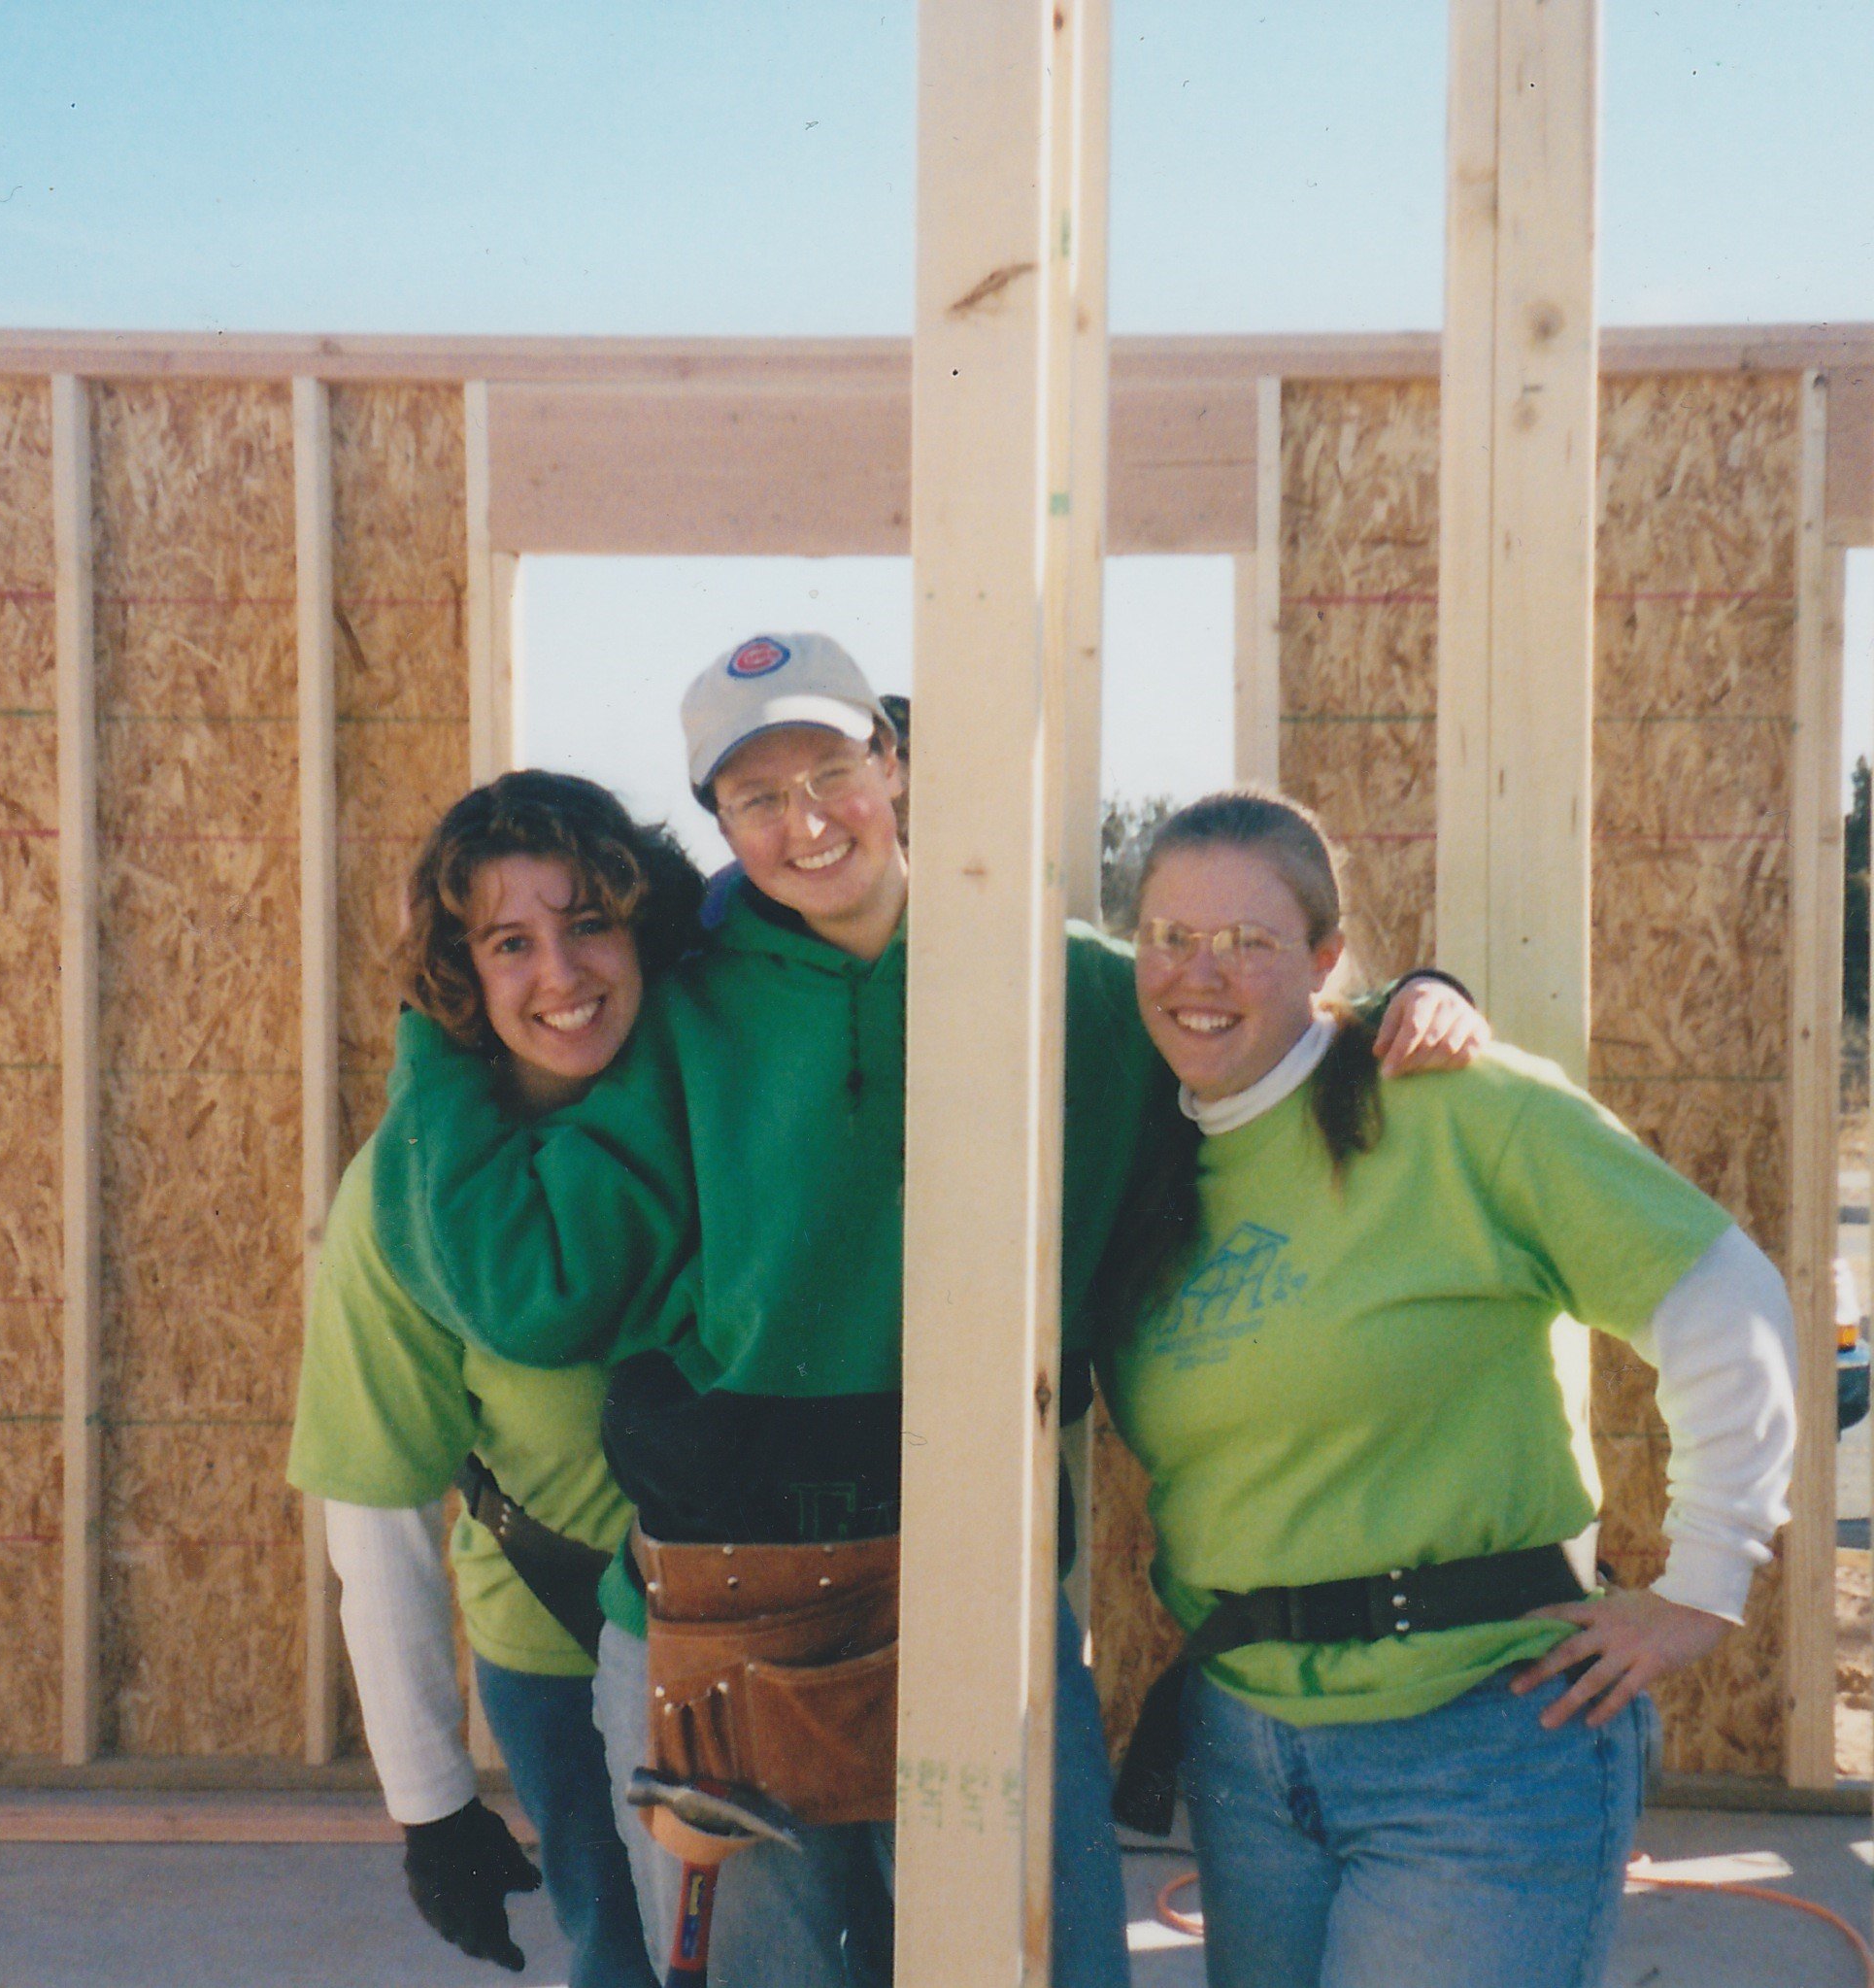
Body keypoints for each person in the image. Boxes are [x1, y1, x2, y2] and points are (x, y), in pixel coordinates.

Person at [369, 635, 1487, 1986]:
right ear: (720, 824)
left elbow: (1246, 1025)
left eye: (833, 769)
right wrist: (436, 1009)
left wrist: (1416, 1003)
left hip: (974, 1607)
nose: (807, 819)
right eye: (758, 797)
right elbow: (527, 1295)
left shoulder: (1068, 987)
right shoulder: (681, 1013)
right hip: (727, 1625)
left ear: (894, 764)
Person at [1098, 789, 1798, 1988]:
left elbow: (1723, 1298)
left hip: (1479, 1740)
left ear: (1326, 959)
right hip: (1246, 1744)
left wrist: (1705, 1585)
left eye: (1249, 942)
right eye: (1169, 936)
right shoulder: (1149, 1151)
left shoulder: (1456, 1108)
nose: (1199, 972)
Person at [285, 770, 704, 1987]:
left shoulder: (723, 1097)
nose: (561, 976)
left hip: (776, 1621)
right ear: (461, 973)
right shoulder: (406, 1197)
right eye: (511, 942)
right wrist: (431, 1804)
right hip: (564, 1642)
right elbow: (378, 1507)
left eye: (589, 924)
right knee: (625, 1957)